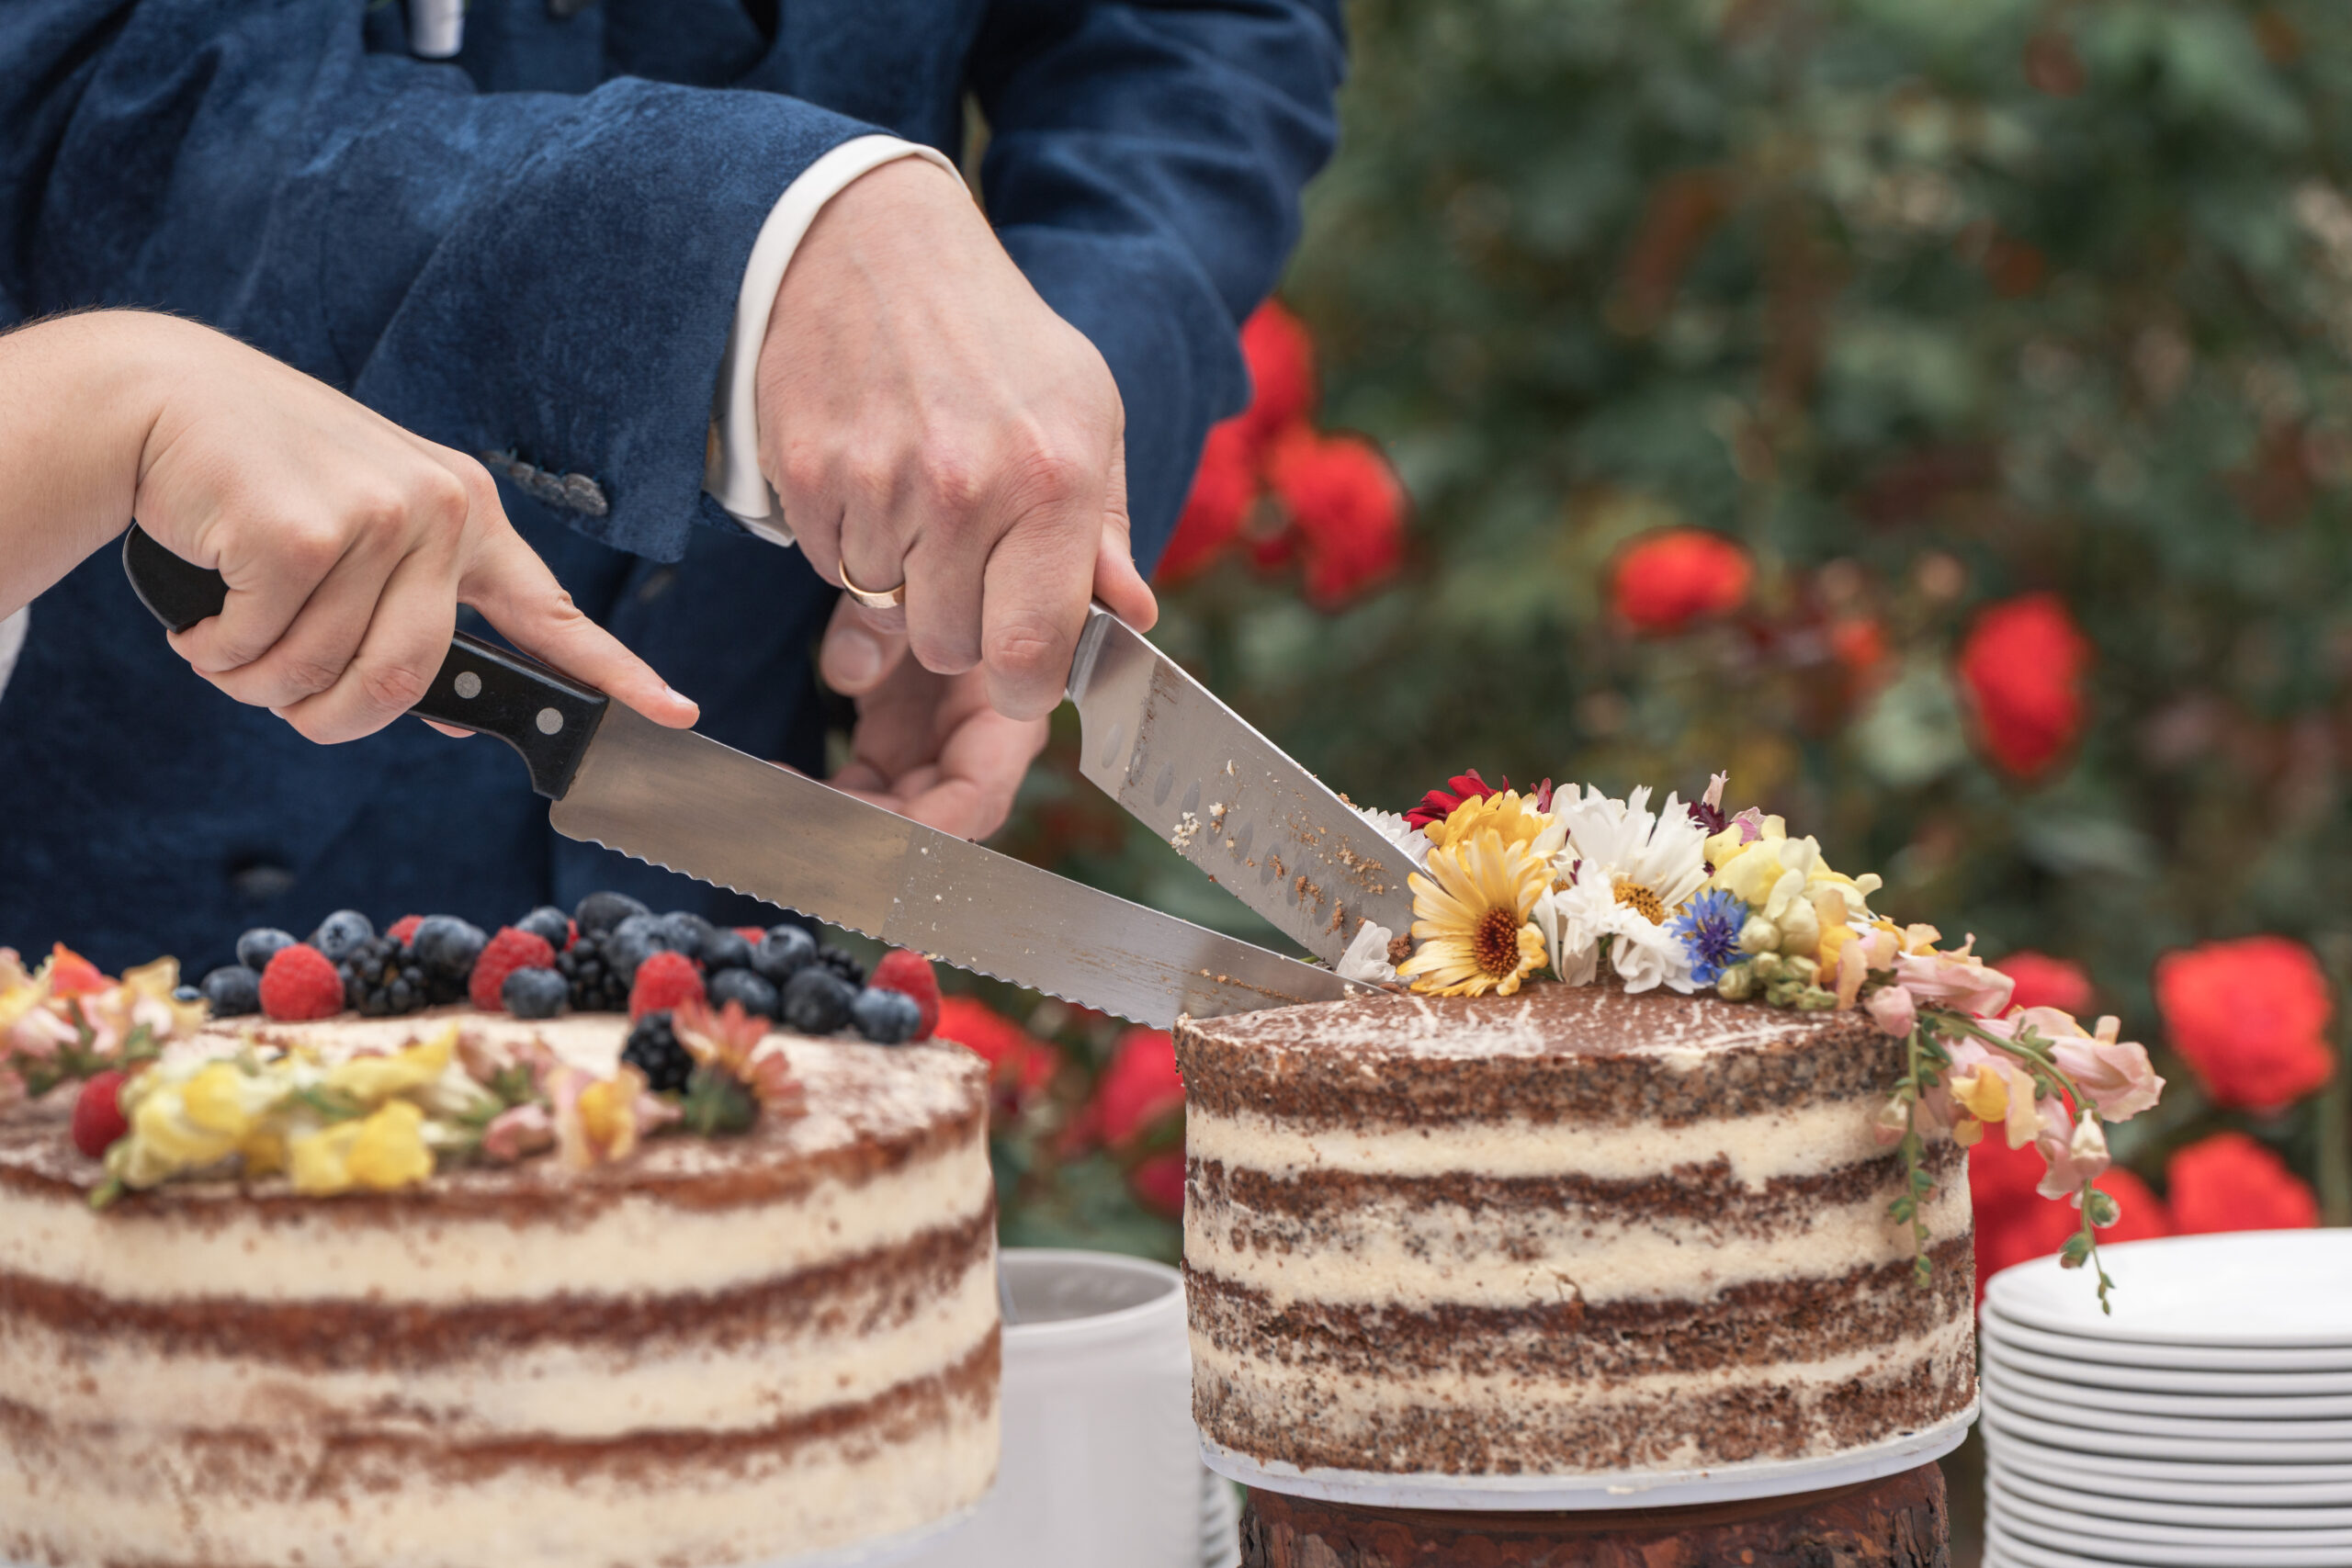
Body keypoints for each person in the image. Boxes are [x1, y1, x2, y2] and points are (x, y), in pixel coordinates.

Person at [0, 1, 1344, 973]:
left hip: (733, 912)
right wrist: (746, 241)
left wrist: (1012, 453)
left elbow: (1195, 34)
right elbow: (67, 87)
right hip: (139, 890)